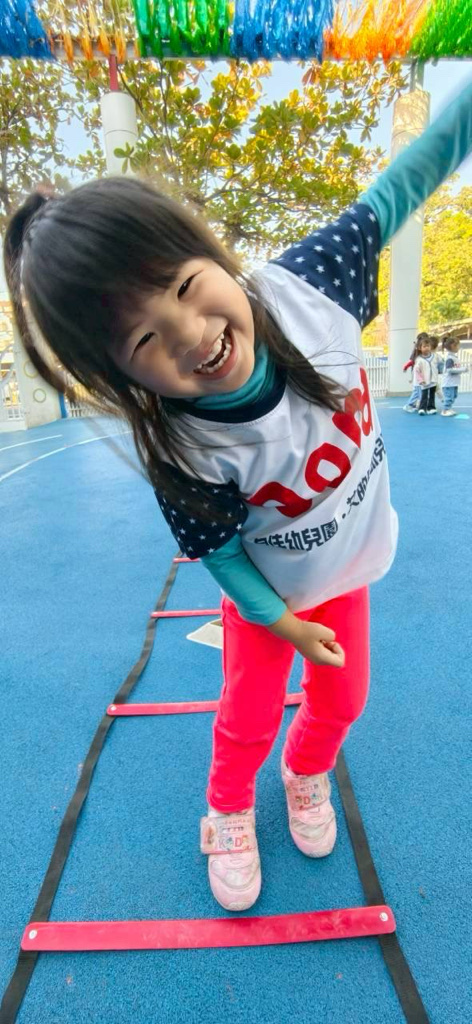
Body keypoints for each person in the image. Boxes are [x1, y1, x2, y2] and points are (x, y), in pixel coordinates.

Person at [5, 80, 472, 913]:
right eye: (145, 337)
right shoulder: (182, 443)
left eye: (185, 286)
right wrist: (279, 621)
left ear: (209, 253)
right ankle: (226, 808)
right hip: (270, 599)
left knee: (345, 698)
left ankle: (306, 771)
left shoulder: (313, 287)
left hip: (348, 574)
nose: (192, 334)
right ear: (117, 375)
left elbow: (407, 178)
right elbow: (219, 552)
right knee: (248, 715)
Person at [402, 332, 429, 412]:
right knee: (418, 391)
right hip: (418, 375)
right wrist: (406, 367)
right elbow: (412, 361)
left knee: (418, 391)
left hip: (421, 374)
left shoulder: (424, 353)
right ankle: (410, 405)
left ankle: (415, 404)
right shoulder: (417, 352)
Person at [441, 335, 467, 416]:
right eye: (458, 345)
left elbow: (455, 368)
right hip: (449, 383)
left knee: (453, 396)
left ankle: (449, 408)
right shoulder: (450, 358)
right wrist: (462, 369)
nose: (459, 347)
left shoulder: (454, 357)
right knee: (449, 397)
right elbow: (450, 370)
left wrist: (462, 369)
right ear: (453, 346)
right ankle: (445, 410)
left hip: (453, 382)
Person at [413, 335, 438, 415]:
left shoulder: (435, 356)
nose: (426, 348)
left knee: (432, 395)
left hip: (433, 380)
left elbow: (440, 363)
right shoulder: (419, 359)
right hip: (424, 381)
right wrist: (420, 380)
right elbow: (417, 371)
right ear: (420, 348)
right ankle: (422, 408)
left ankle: (431, 407)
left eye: (428, 346)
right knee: (424, 395)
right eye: (424, 346)